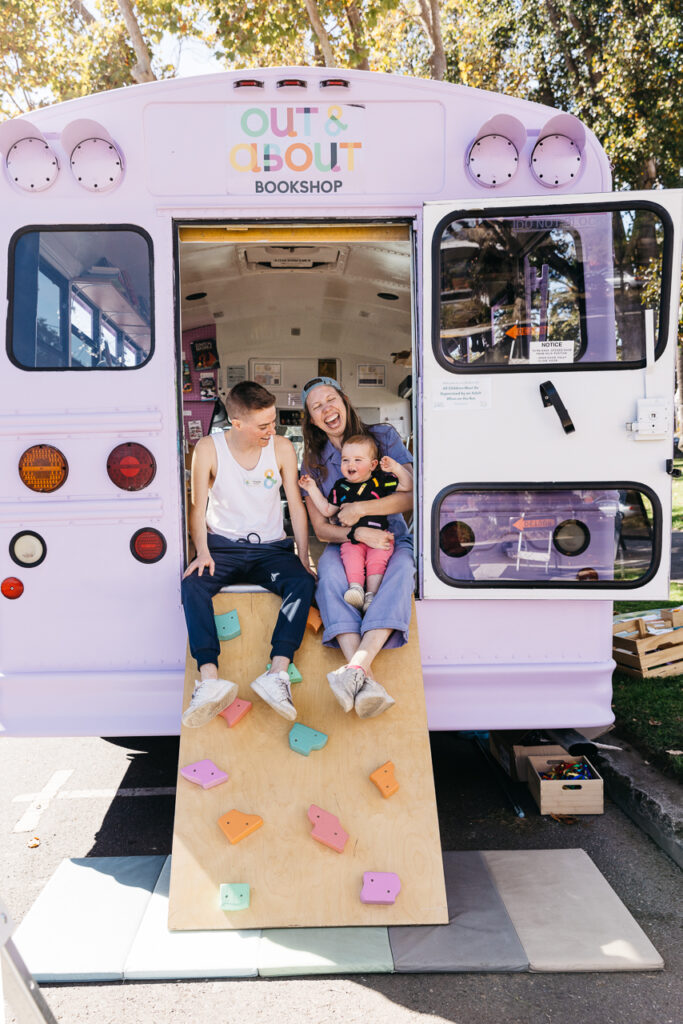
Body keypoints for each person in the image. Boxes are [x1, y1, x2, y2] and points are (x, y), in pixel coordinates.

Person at [180, 381, 315, 726]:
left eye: (273, 422)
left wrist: (303, 556)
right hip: (223, 546)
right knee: (193, 583)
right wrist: (202, 552)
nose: (272, 430)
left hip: (270, 550)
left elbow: (296, 508)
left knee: (302, 582)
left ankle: (278, 672)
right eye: (264, 425)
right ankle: (209, 680)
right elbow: (198, 508)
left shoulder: (282, 447)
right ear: (237, 424)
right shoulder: (208, 448)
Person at [300, 376, 414, 718]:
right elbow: (322, 528)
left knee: (402, 572)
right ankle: (363, 674)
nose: (326, 409)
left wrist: (362, 510)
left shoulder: (383, 437)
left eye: (330, 399)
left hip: (390, 536)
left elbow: (409, 495)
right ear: (311, 419)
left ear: (344, 400)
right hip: (346, 542)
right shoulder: (313, 463)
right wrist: (356, 535)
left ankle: (356, 668)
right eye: (316, 406)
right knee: (331, 577)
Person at [299, 434, 412, 613]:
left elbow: (408, 486)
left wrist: (396, 468)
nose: (350, 465)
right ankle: (356, 589)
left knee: (378, 560)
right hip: (352, 539)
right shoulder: (340, 487)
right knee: (351, 558)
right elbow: (327, 510)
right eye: (345, 460)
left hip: (378, 537)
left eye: (358, 460)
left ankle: (372, 595)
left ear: (373, 465)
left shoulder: (380, 481)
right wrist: (312, 489)